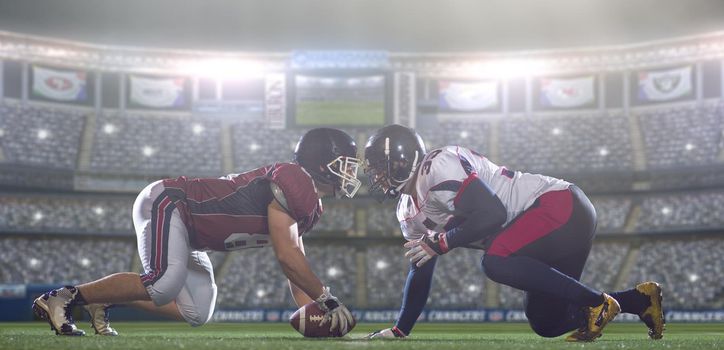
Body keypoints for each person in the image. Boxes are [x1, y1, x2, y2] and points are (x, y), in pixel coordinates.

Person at [33, 128, 360, 336]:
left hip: (191, 232)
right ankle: (62, 298)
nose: (351, 172)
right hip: (169, 201)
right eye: (346, 163)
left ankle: (102, 302)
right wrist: (327, 298)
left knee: (197, 312)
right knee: (163, 283)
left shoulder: (308, 204)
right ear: (321, 162)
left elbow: (296, 266)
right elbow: (287, 257)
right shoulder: (294, 180)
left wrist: (318, 311)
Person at [363, 124, 665, 342]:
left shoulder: (437, 166)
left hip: (559, 206)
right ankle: (637, 300)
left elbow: (493, 213)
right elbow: (421, 265)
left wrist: (442, 242)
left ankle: (598, 301)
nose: (376, 176)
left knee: (495, 261)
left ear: (405, 160)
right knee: (547, 322)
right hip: (540, 230)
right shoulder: (406, 209)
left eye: (381, 166)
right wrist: (401, 329)